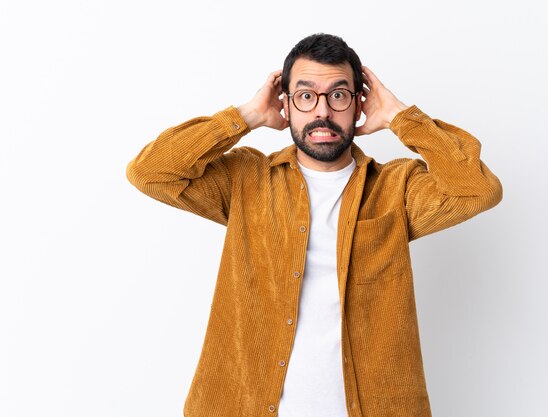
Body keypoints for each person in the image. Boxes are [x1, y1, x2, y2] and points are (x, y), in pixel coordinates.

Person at [126, 33, 502, 417]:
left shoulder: (396, 188)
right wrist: (244, 117)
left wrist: (400, 117)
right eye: (306, 96)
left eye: (338, 95)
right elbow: (151, 172)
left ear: (359, 104)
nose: (322, 111)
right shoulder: (246, 179)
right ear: (285, 105)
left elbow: (477, 190)